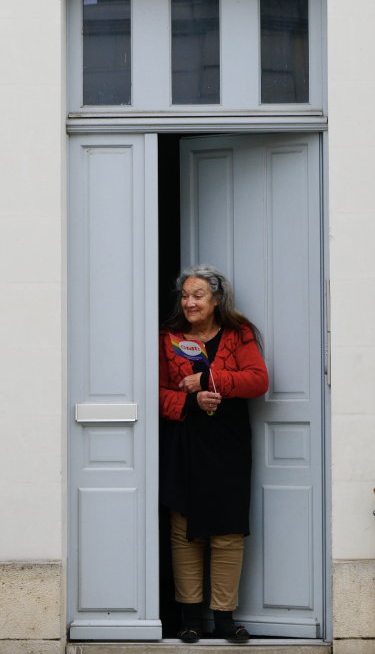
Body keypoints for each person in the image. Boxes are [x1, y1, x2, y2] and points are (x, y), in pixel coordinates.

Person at [159, 265, 269, 643]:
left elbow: (259, 380)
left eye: (198, 295)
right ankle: (190, 620)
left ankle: (224, 620)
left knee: (227, 531)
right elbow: (155, 393)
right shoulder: (168, 338)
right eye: (185, 296)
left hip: (228, 441)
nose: (189, 302)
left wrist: (208, 379)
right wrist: (191, 400)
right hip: (185, 440)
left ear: (217, 299)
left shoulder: (240, 335)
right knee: (185, 531)